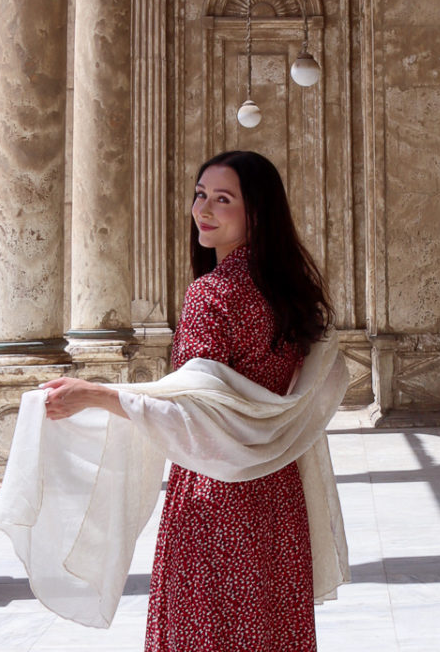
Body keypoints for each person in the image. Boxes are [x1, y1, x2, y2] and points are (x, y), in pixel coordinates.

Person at [37, 149, 335, 652]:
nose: (204, 209)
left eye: (223, 199)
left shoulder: (212, 295)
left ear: (256, 212)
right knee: (270, 628)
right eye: (200, 195)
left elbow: (192, 414)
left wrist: (96, 395)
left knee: (208, 632)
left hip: (216, 493)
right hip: (278, 491)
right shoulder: (290, 294)